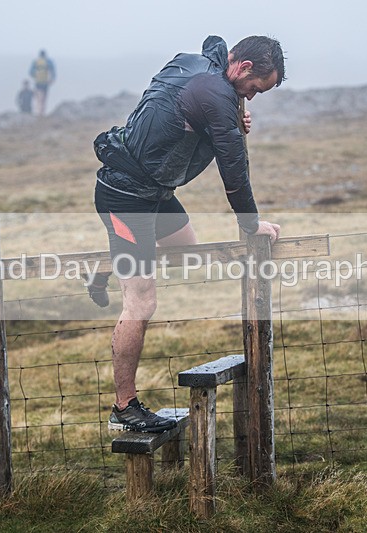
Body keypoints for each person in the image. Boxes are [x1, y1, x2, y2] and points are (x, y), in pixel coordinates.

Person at [91, 35, 284, 433]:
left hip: (155, 191)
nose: (253, 96)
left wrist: (230, 115)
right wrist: (251, 225)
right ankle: (124, 408)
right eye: (254, 89)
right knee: (142, 304)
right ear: (243, 67)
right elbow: (234, 169)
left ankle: (110, 263)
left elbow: (209, 54)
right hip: (126, 196)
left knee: (186, 247)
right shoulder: (214, 91)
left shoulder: (205, 68)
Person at [29, 50, 55, 116]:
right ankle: (42, 111)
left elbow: (31, 72)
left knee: (39, 97)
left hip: (38, 82)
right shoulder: (49, 61)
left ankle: (39, 111)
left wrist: (36, 76)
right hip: (45, 82)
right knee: (44, 97)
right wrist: (52, 79)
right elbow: (53, 71)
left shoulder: (35, 61)